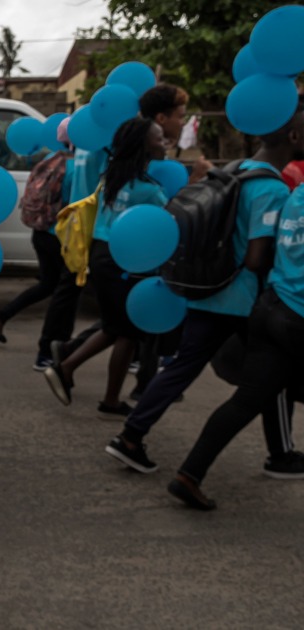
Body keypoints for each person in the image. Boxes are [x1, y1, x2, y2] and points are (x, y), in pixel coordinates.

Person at [107, 103, 304, 476]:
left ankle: (130, 436)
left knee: (181, 368)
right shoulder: (272, 189)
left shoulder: (235, 169)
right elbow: (256, 258)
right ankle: (281, 455)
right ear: (292, 137)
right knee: (270, 376)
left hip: (207, 286)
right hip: (243, 296)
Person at [168, 109, 304, 511]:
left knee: (247, 400)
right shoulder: (281, 188)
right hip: (297, 318)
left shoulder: (296, 194)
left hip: (272, 308)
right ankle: (280, 455)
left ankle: (189, 474)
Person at [44, 117, 168, 418]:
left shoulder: (112, 175)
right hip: (123, 260)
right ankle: (78, 376)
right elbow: (164, 226)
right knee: (125, 331)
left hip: (102, 255)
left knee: (116, 327)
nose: (165, 143)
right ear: (144, 146)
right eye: (159, 138)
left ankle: (77, 373)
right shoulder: (148, 191)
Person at [0, 117, 76, 369]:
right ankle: (47, 351)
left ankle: (1, 316)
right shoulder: (75, 168)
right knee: (65, 293)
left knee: (48, 284)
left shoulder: (48, 161)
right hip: (61, 236)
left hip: (40, 232)